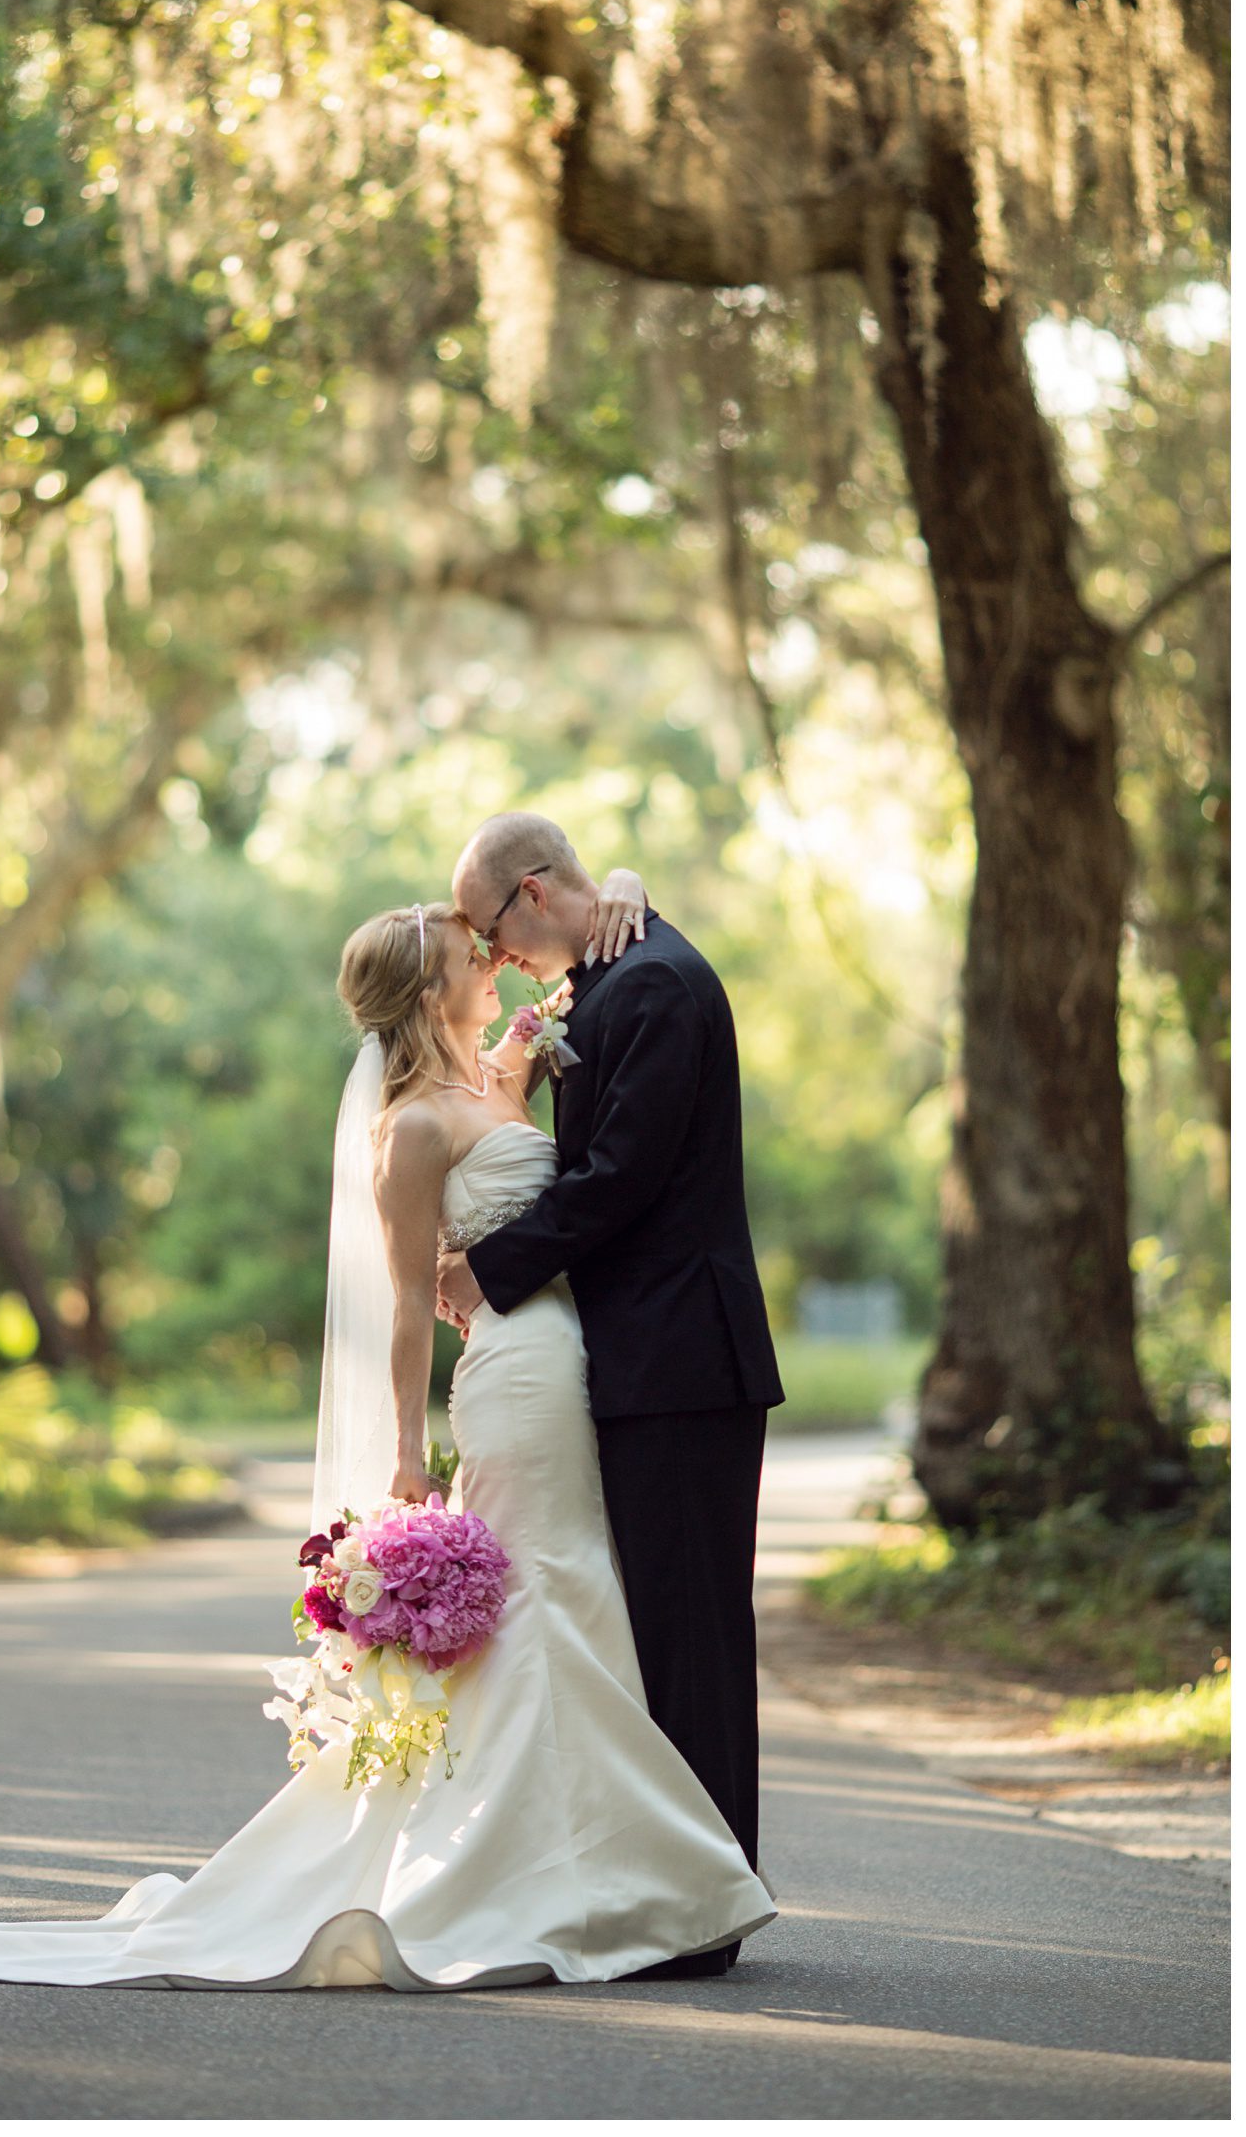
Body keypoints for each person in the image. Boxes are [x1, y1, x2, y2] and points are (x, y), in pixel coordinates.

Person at [0, 871, 776, 1992]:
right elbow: (406, 1305)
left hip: (577, 1364)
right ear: (430, 991)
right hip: (515, 1374)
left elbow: (593, 1052)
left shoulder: (504, 1070)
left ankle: (607, 1869)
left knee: (581, 1594)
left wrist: (622, 886)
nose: (496, 962)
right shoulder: (411, 1129)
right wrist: (405, 1453)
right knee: (548, 1596)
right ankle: (581, 1880)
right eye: (474, 955)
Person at [441, 814, 784, 1972]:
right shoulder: (610, 978)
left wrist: (488, 1269)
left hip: (685, 1360)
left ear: (535, 892)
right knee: (657, 1629)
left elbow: (620, 1178)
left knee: (693, 1633)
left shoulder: (654, 988)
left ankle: (709, 1906)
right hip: (645, 1357)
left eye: (493, 929)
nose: (493, 957)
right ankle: (678, 1886)